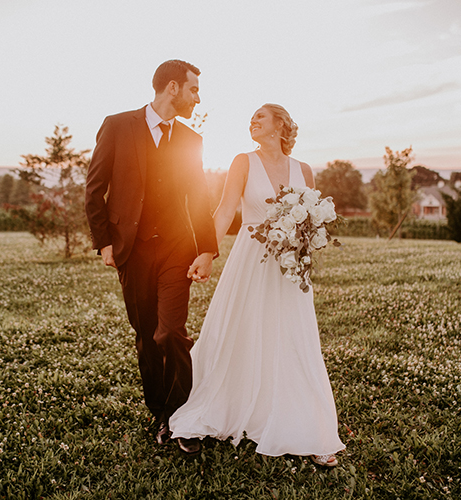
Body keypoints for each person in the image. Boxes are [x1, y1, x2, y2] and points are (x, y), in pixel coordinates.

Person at [169, 104, 345, 465]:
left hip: (289, 267)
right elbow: (224, 210)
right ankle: (233, 402)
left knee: (292, 338)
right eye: (251, 118)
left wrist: (306, 246)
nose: (253, 121)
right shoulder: (243, 162)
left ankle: (305, 424)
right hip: (251, 259)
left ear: (280, 124)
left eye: (260, 117)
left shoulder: (304, 170)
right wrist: (207, 252)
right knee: (242, 330)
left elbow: (311, 221)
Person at [85, 60, 217, 455]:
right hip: (133, 250)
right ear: (173, 88)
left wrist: (207, 249)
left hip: (177, 248)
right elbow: (95, 189)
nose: (198, 97)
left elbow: (199, 197)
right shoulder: (118, 125)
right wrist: (104, 242)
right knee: (146, 337)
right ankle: (159, 412)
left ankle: (182, 417)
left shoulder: (192, 140)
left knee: (171, 331)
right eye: (194, 89)